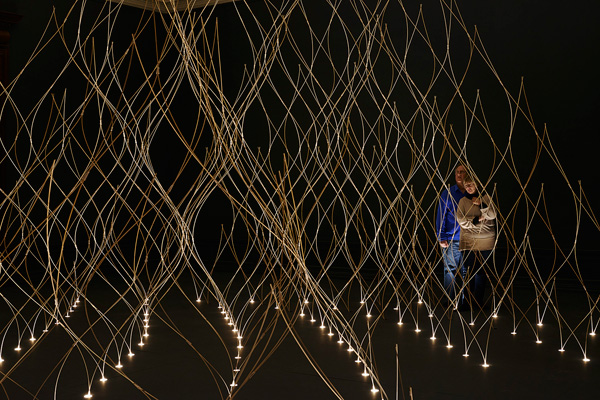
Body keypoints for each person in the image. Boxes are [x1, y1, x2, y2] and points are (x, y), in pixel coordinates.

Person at [456, 174, 497, 311]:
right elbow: (461, 220)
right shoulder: (462, 201)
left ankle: (478, 302)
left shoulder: (485, 198)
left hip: (486, 242)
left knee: (482, 272)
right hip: (469, 242)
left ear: (477, 184)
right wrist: (476, 219)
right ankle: (467, 302)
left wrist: (481, 204)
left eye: (471, 184)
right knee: (468, 272)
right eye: (466, 184)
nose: (468, 187)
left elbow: (492, 215)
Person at [435, 165, 467, 307]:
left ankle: (465, 301)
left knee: (467, 271)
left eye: (462, 172)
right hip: (451, 239)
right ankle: (450, 300)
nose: (459, 175)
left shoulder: (473, 192)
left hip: (470, 240)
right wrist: (441, 236)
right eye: (457, 172)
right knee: (450, 270)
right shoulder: (447, 193)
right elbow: (441, 215)